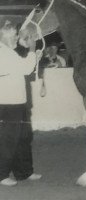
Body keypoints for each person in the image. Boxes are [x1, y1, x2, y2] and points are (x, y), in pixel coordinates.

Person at [0, 19, 42, 186]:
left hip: (17, 102)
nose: (17, 38)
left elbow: (22, 63)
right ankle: (2, 174)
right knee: (9, 139)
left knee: (23, 137)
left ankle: (24, 172)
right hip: (9, 103)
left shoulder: (8, 51)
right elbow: (25, 68)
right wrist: (32, 49)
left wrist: (30, 52)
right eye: (15, 36)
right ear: (6, 36)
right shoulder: (4, 53)